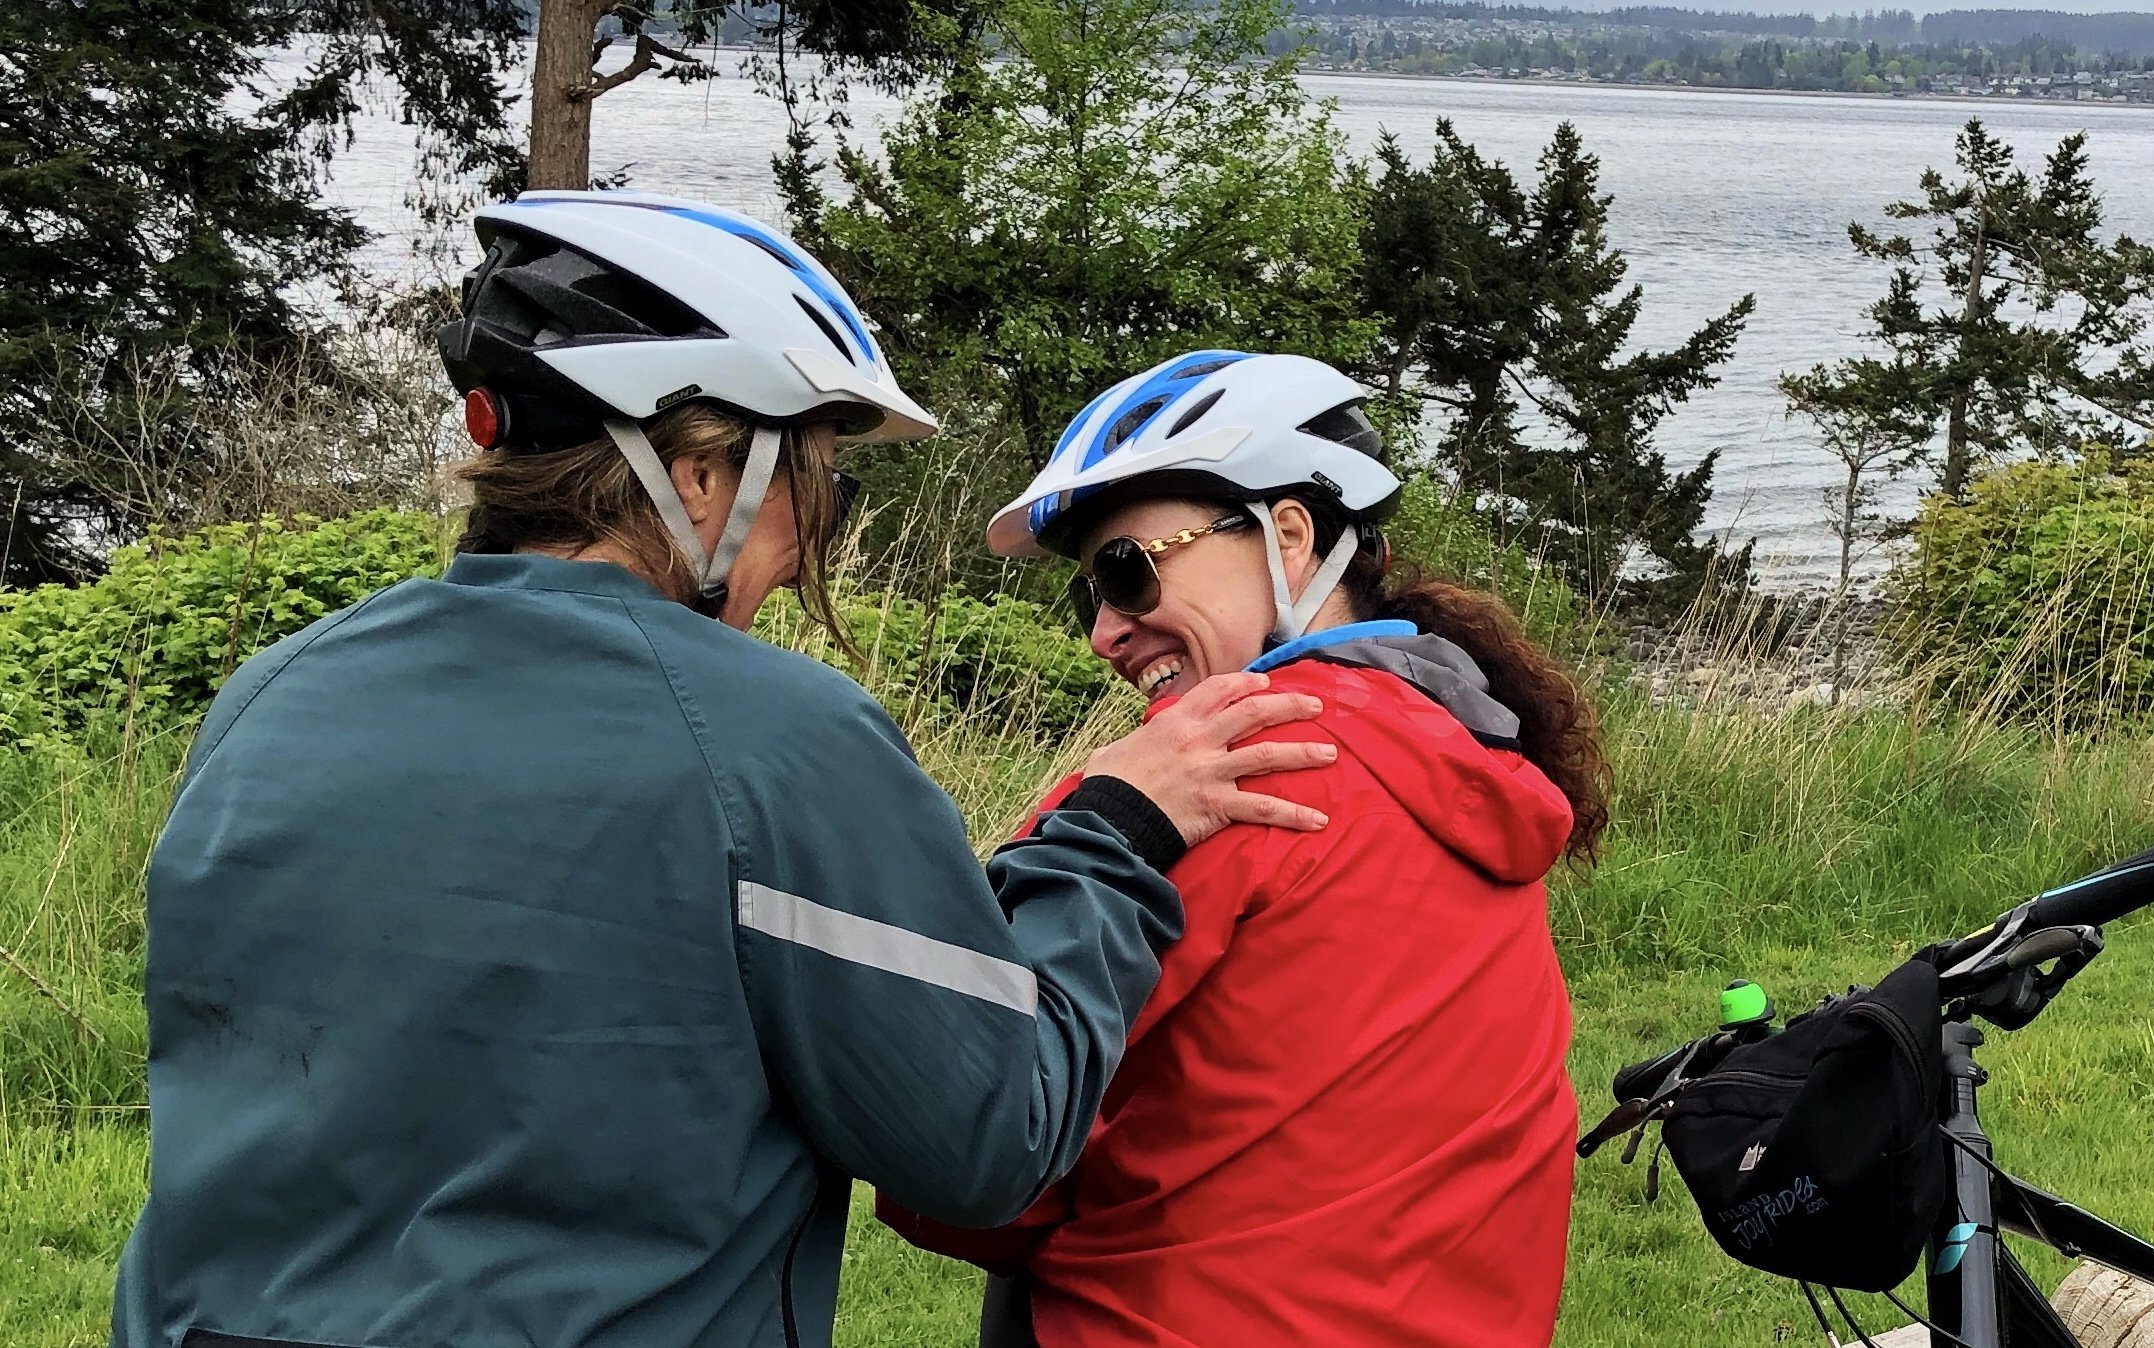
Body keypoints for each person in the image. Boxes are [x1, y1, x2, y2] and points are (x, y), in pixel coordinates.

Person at [109, 197, 1339, 1348]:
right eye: (819, 484)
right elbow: (989, 1131)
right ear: (699, 474)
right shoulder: (770, 738)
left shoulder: (278, 689)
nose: (813, 537)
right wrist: (1113, 832)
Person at [877, 350, 1606, 1348]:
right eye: (1085, 594)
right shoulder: (1469, 755)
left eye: (1128, 571)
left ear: (1289, 535)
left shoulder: (1210, 780)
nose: (1103, 630)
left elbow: (967, 1131)